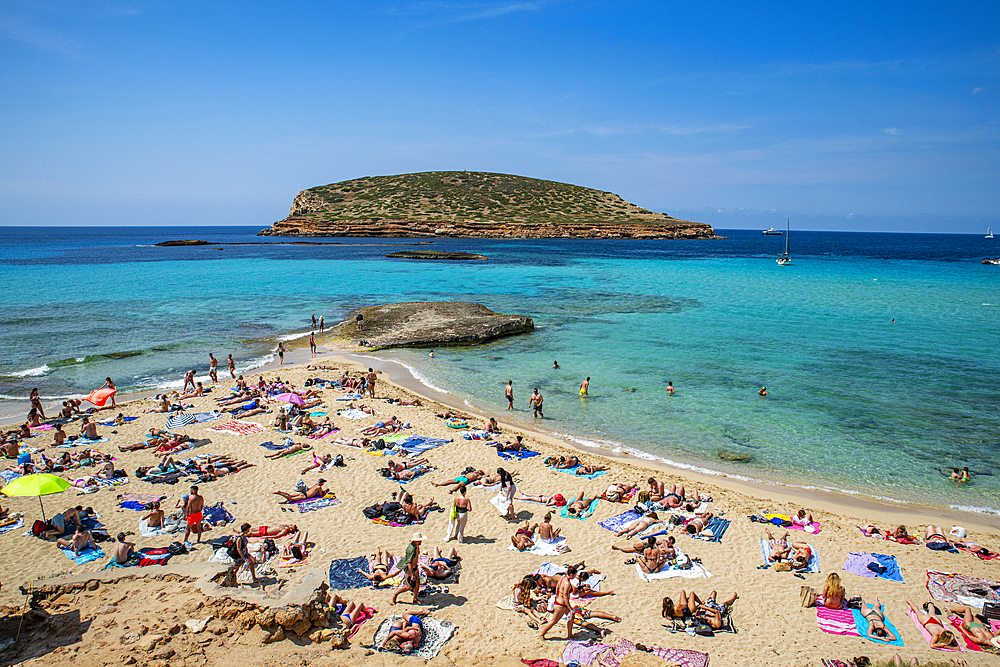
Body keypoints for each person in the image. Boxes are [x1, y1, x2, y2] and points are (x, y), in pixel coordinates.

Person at [540, 565, 577, 639]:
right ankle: (542, 634)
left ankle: (570, 634)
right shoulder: (567, 584)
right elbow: (565, 597)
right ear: (572, 574)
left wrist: (557, 595)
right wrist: (570, 608)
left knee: (572, 616)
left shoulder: (562, 577)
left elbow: (557, 587)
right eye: (575, 575)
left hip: (559, 601)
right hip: (561, 605)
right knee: (554, 621)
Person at [392, 532, 425, 605]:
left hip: (414, 566)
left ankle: (415, 599)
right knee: (409, 587)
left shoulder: (416, 545)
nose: (421, 541)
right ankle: (395, 594)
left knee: (417, 583)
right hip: (409, 569)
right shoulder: (411, 549)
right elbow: (409, 563)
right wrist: (412, 574)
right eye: (419, 540)